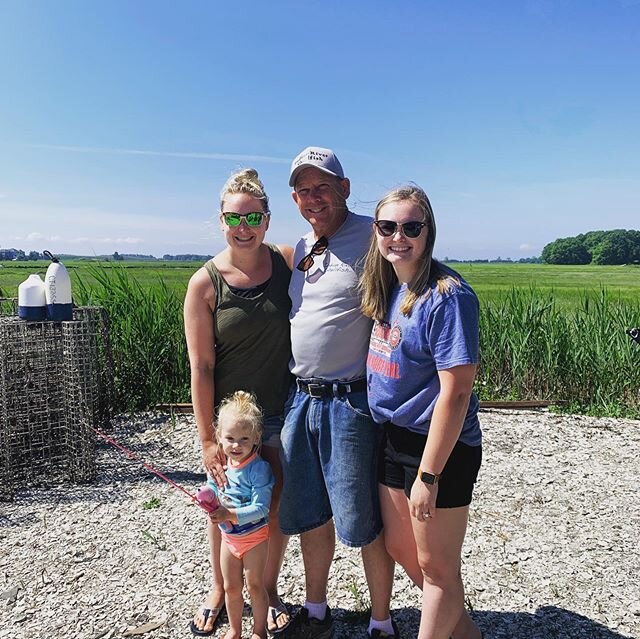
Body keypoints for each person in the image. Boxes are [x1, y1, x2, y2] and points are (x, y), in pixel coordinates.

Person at [279, 147, 398, 639]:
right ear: (294, 197)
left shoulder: (375, 238)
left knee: (362, 517)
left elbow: (415, 286)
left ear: (345, 189)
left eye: (323, 186)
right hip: (300, 398)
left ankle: (381, 621)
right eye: (304, 190)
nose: (314, 197)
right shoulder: (303, 246)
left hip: (351, 400)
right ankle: (316, 609)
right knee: (309, 512)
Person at [360, 184, 483, 639]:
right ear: (376, 232)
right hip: (394, 435)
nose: (399, 236)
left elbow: (456, 391)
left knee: (435, 567)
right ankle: (466, 633)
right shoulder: (390, 286)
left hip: (439, 445)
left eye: (411, 227)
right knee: (401, 547)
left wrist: (429, 476)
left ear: (429, 231)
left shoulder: (447, 296)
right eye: (388, 227)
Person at [184, 168, 294, 636]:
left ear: (268, 220)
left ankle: (264, 592)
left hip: (282, 410)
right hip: (232, 422)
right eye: (234, 218)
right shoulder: (204, 284)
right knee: (223, 504)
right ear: (221, 220)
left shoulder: (288, 261)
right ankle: (219, 587)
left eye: (253, 217)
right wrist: (208, 439)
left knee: (272, 506)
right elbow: (202, 368)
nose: (243, 227)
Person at [205, 391, 275, 639]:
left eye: (245, 438)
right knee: (231, 587)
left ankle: (259, 631)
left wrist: (229, 513)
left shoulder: (259, 469)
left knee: (255, 586)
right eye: (230, 438)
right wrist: (206, 497)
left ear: (257, 437)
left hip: (254, 538)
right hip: (229, 540)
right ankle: (235, 630)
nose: (236, 445)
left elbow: (261, 509)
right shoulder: (222, 467)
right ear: (219, 438)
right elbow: (213, 488)